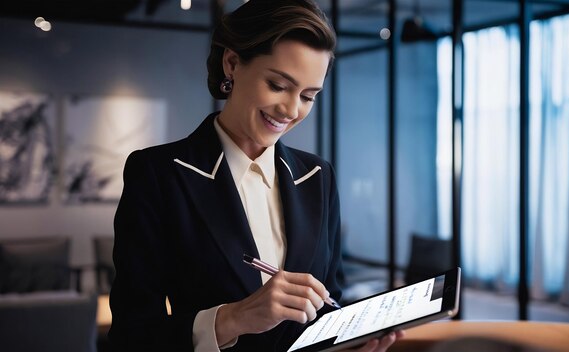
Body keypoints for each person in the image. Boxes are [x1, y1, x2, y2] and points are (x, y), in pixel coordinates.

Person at [109, 0, 403, 351]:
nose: (291, 110)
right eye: (278, 85)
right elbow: (131, 336)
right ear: (231, 64)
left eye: (308, 96)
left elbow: (327, 306)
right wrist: (233, 318)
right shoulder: (158, 175)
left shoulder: (318, 177)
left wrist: (348, 344)